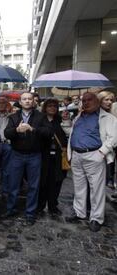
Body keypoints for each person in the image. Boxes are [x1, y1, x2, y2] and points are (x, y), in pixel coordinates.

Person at [67, 92, 117, 232]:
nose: (86, 102)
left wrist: (101, 152)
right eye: (84, 100)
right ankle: (79, 213)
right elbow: (72, 133)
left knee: (96, 189)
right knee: (79, 187)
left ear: (97, 101)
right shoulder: (79, 116)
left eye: (90, 100)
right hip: (77, 155)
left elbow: (113, 138)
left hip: (94, 155)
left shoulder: (107, 118)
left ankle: (96, 218)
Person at [4, 92, 53, 225]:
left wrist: (33, 129)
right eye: (24, 99)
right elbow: (6, 133)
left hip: (34, 155)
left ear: (33, 102)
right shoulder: (14, 117)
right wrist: (17, 130)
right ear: (20, 102)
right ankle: (11, 209)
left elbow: (49, 133)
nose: (27, 101)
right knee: (13, 184)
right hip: (17, 155)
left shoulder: (41, 117)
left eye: (29, 99)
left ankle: (30, 213)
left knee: (33, 186)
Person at [37, 98, 67, 217]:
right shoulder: (40, 120)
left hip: (58, 156)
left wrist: (67, 120)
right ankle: (40, 206)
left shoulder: (60, 120)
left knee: (56, 181)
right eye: (49, 106)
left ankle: (53, 205)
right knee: (43, 181)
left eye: (54, 106)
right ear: (45, 107)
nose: (52, 108)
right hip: (44, 155)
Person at [97, 91, 116, 188]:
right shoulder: (91, 115)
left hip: (103, 156)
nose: (109, 102)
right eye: (106, 99)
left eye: (111, 100)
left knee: (99, 187)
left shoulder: (111, 118)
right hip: (91, 154)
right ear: (99, 101)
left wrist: (102, 152)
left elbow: (113, 138)